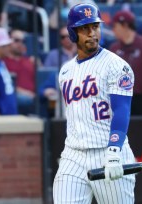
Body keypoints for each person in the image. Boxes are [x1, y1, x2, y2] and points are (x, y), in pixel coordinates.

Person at [53, 3, 135, 203]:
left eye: (95, 26)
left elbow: (122, 110)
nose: (92, 33)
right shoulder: (65, 72)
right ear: (73, 33)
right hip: (73, 154)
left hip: (107, 152)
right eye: (84, 28)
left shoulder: (117, 66)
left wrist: (114, 150)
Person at [4, 29, 35, 115]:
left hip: (34, 97)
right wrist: (23, 92)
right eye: (16, 40)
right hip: (15, 95)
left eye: (23, 41)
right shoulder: (3, 62)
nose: (20, 43)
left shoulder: (31, 61)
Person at [0, 27, 17, 115]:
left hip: (9, 118)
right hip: (1, 122)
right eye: (7, 45)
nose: (9, 48)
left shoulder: (1, 63)